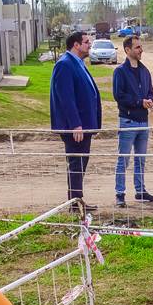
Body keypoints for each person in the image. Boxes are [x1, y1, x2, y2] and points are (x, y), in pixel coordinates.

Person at [50, 31, 101, 211]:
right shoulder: (64, 65)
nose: (89, 45)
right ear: (76, 45)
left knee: (80, 164)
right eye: (86, 42)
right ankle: (75, 204)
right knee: (76, 164)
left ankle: (77, 201)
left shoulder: (77, 63)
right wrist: (75, 124)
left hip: (83, 126)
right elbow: (66, 98)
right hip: (75, 128)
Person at [111, 36, 153, 207]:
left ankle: (140, 191)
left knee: (141, 159)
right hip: (128, 121)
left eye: (141, 47)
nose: (141, 50)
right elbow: (119, 95)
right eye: (137, 47)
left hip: (143, 122)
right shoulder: (120, 72)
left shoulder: (145, 71)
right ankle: (120, 194)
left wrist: (150, 99)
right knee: (123, 159)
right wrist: (139, 102)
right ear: (127, 50)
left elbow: (151, 91)